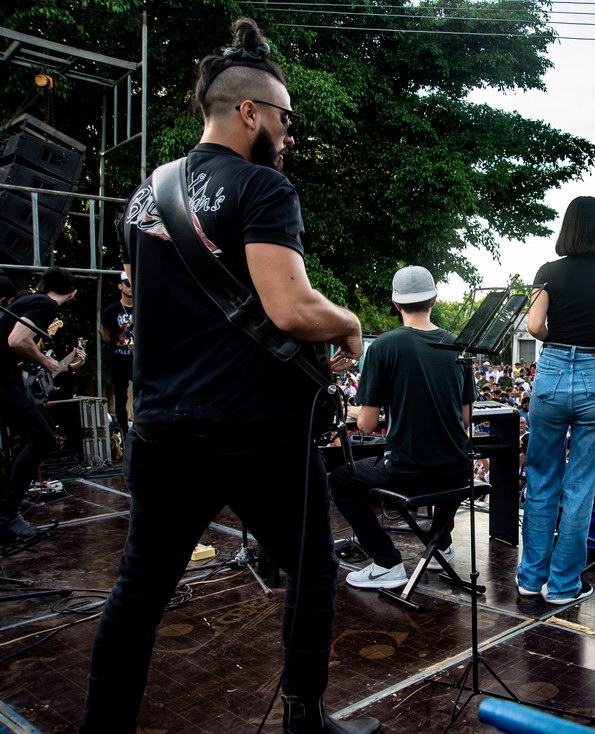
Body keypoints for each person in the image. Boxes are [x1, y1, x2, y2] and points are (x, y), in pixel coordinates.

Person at [79, 19, 377, 734]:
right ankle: (304, 718)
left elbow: (131, 296)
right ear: (249, 113)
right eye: (285, 118)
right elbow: (291, 307)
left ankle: (101, 725)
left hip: (160, 425)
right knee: (310, 567)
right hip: (253, 429)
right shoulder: (262, 187)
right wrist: (350, 325)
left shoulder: (145, 197)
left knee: (141, 586)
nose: (290, 133)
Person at [328, 267, 475, 589]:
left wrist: (356, 409)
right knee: (443, 468)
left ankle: (386, 563)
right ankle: (441, 544)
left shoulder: (383, 346)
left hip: (408, 471)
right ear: (435, 299)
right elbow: (465, 418)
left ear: (396, 304)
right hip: (457, 468)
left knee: (340, 480)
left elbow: (367, 424)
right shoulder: (458, 346)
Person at [516, 195, 595, 604]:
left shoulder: (548, 271)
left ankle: (530, 578)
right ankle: (562, 585)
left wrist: (559, 341)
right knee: (581, 486)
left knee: (542, 477)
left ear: (567, 227)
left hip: (553, 371)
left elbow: (534, 325)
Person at [0, 267, 85, 540]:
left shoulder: (27, 302)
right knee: (41, 437)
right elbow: (17, 341)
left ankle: (9, 498)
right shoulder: (45, 304)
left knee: (39, 428)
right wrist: (47, 361)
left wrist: (60, 365)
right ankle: (6, 514)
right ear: (72, 292)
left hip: (7, 379)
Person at [100, 270, 134, 436]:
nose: (131, 287)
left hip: (138, 361)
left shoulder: (143, 308)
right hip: (119, 360)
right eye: (128, 283)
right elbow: (105, 335)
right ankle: (124, 431)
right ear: (120, 286)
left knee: (144, 394)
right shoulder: (111, 311)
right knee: (120, 397)